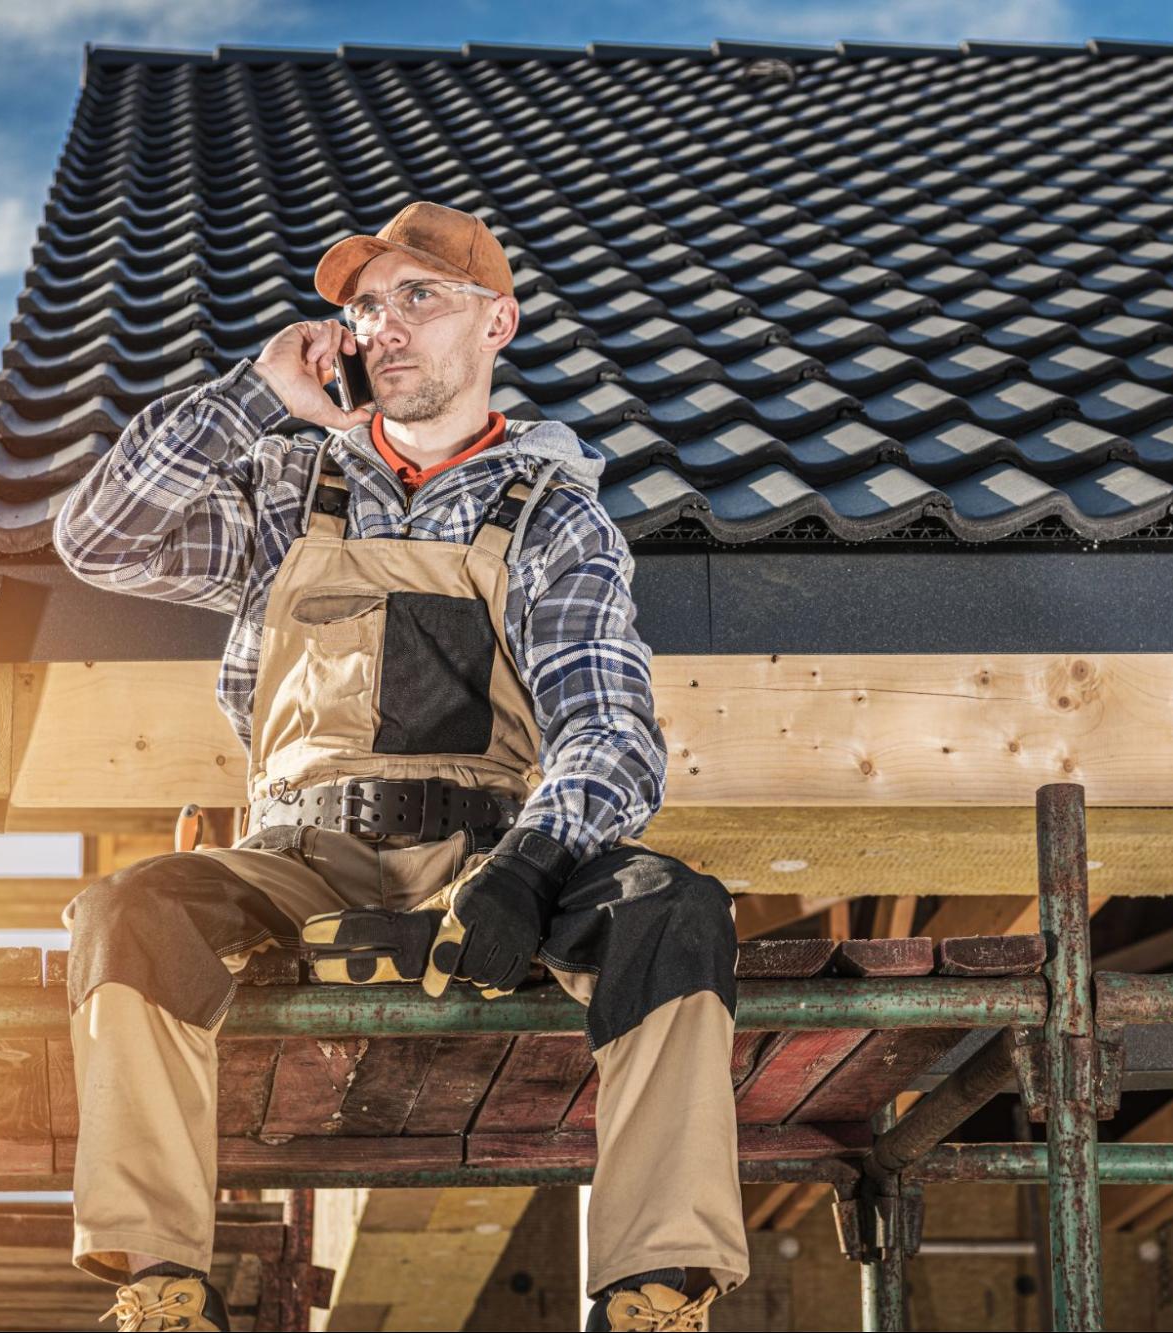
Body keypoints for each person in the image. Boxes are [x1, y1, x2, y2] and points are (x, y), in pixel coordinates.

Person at [52, 200, 747, 1332]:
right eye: (369, 305)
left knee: (673, 908)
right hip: (296, 856)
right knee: (129, 910)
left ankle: (652, 1287)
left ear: (497, 322)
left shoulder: (554, 515)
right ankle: (161, 1283)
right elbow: (98, 537)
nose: (385, 325)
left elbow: (608, 728)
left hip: (488, 858)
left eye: (420, 296)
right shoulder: (287, 493)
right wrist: (252, 395)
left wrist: (530, 867)